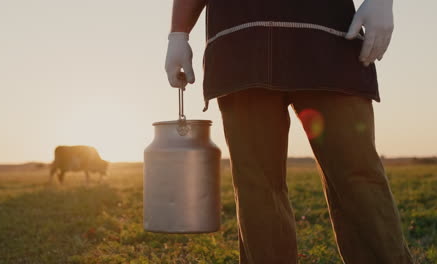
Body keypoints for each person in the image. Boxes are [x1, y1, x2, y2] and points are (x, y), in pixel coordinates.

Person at [165, 0, 415, 263]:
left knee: (358, 173)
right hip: (241, 46)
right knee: (257, 187)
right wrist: (178, 34)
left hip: (329, 40)